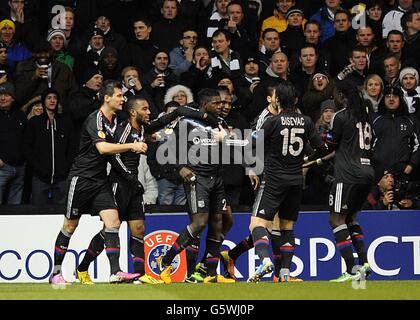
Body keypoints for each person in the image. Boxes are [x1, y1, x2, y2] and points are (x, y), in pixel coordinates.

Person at [49, 80, 146, 285]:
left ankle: (115, 272)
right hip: (81, 179)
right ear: (107, 98)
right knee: (70, 226)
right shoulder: (96, 120)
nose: (123, 99)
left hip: (101, 181)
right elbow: (103, 149)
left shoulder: (114, 121)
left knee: (113, 223)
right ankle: (56, 272)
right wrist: (132, 146)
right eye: (119, 96)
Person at [248, 81, 328, 283]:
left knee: (256, 224)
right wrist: (302, 161)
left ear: (277, 101)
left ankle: (265, 260)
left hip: (274, 179)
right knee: (287, 227)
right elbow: (321, 150)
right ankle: (284, 273)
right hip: (295, 180)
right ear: (295, 100)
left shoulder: (272, 122)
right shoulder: (307, 121)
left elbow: (253, 145)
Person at [156, 88, 235, 284]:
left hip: (216, 179)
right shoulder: (186, 122)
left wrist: (227, 140)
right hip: (196, 178)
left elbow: (228, 146)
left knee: (217, 223)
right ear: (205, 105)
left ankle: (210, 273)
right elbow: (166, 145)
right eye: (216, 103)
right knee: (199, 223)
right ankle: (165, 260)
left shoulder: (219, 123)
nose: (221, 106)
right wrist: (180, 167)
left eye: (222, 103)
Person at [326, 90, 375, 282]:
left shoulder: (341, 116)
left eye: (338, 94)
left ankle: (351, 270)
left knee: (336, 220)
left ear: (343, 96)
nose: (336, 97)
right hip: (366, 173)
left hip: (347, 175)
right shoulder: (366, 117)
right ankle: (364, 263)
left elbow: (331, 143)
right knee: (351, 219)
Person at [23, 88, 74, 205]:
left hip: (62, 178)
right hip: (40, 178)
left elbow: (71, 148)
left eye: (55, 98)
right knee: (37, 213)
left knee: (61, 214)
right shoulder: (34, 122)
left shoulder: (65, 122)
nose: (52, 101)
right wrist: (37, 166)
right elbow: (27, 147)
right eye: (49, 98)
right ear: (43, 101)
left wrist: (66, 167)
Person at [0, 81, 26, 204]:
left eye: (6, 94)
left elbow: (26, 139)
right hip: (2, 167)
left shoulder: (20, 115)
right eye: (0, 95)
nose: (2, 97)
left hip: (20, 167)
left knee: (15, 211)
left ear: (13, 98)